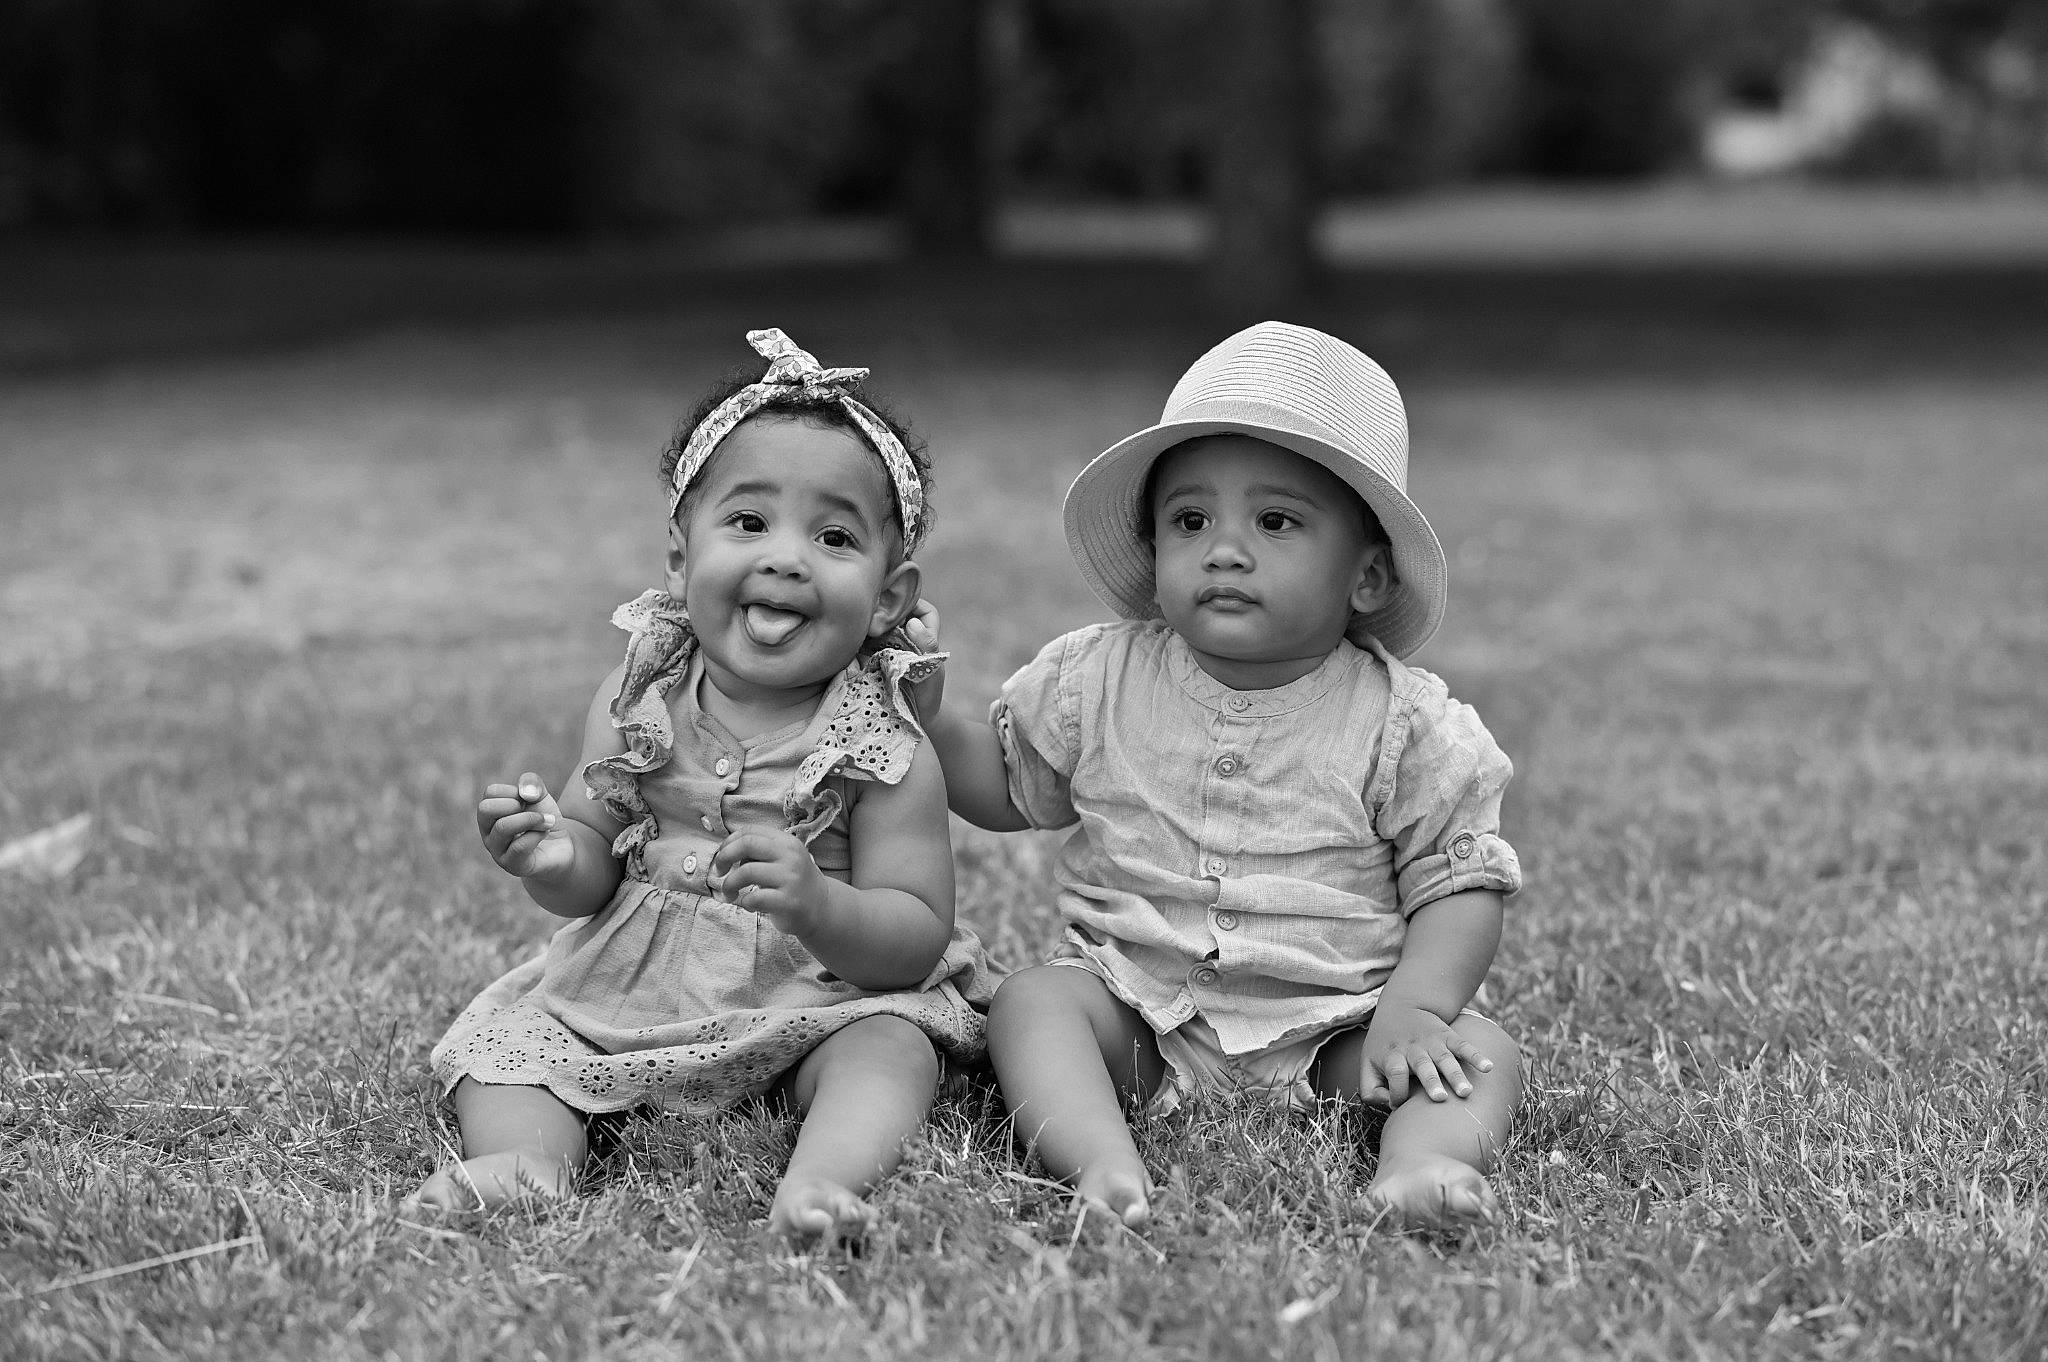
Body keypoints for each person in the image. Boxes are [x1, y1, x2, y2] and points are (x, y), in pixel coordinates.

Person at [911, 321, 1523, 1231]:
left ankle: (1421, 1167)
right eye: (1190, 521)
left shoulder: (1410, 722)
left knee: (1477, 1051)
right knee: (1034, 1004)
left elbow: (1460, 882)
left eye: (1275, 522)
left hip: (1337, 1023)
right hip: (1138, 1010)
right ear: (1154, 550)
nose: (1224, 550)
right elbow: (1004, 788)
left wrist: (1414, 1010)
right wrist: (926, 715)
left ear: (1366, 577)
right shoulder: (1097, 677)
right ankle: (1099, 1162)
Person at [409, 329, 996, 1238]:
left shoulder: (883, 744)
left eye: (834, 536)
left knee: (890, 1046)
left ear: (888, 597)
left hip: (814, 999)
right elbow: (593, 859)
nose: (786, 557)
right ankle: (527, 1162)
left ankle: (822, 1184)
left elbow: (915, 940)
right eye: (749, 522)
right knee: (511, 1050)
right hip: (624, 995)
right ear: (681, 562)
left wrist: (818, 905)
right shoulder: (637, 697)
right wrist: (550, 854)